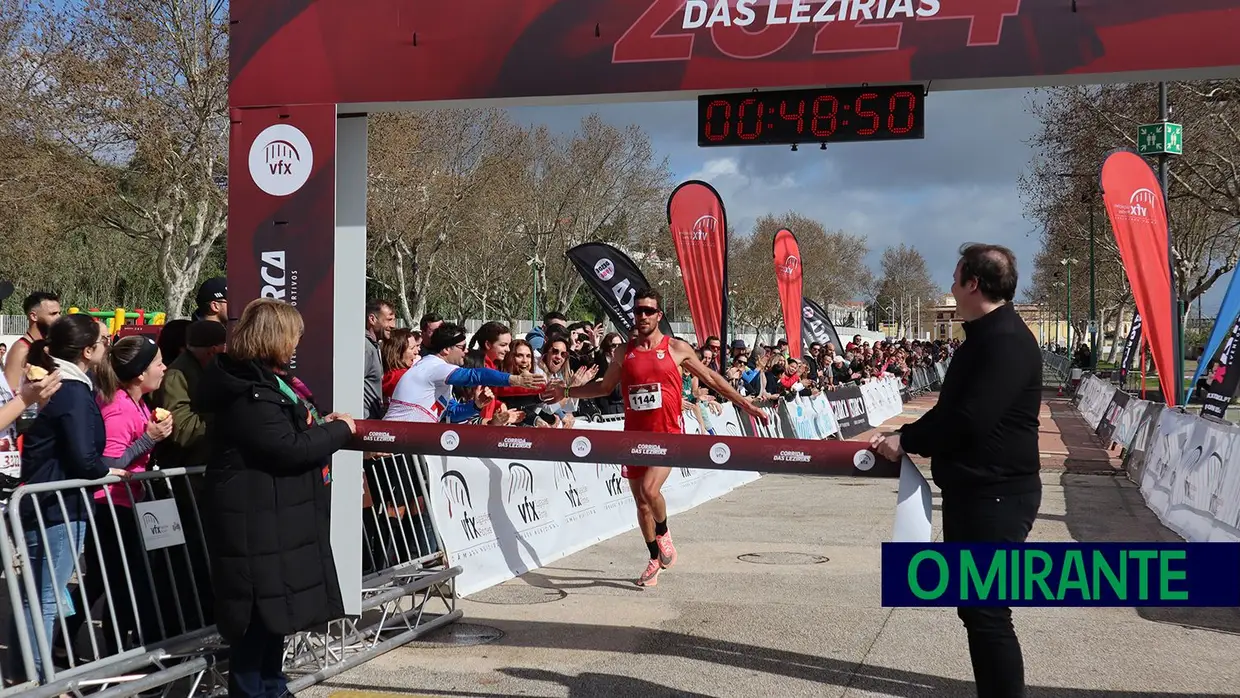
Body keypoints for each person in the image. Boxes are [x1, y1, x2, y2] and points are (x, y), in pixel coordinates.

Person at [870, 243, 1042, 698]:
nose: (949, 286)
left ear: (973, 284)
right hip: (979, 492)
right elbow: (954, 410)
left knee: (987, 611)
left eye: (955, 277)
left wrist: (906, 441)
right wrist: (907, 433)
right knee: (977, 608)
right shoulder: (985, 336)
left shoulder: (1004, 340)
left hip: (998, 496)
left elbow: (970, 419)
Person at [193, 298, 357, 698]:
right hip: (254, 522)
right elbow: (287, 448)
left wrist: (322, 424)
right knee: (255, 621)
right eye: (294, 336)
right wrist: (339, 432)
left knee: (273, 618)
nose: (298, 344)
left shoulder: (263, 384)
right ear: (276, 338)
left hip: (272, 517)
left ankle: (274, 687)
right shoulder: (248, 391)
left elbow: (292, 435)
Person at [567, 288, 769, 587]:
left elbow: (712, 379)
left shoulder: (676, 348)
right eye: (638, 311)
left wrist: (746, 404)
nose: (643, 316)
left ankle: (663, 532)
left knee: (650, 491)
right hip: (633, 436)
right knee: (640, 503)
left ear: (659, 315)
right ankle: (653, 558)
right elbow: (603, 388)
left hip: (668, 434)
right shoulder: (625, 352)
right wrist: (567, 391)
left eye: (649, 311)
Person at [10, 314, 127, 681]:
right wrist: (105, 472)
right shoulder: (73, 391)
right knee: (43, 597)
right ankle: (39, 679)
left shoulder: (72, 385)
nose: (109, 347)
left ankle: (26, 674)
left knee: (39, 596)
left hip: (54, 503)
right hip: (56, 507)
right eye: (105, 341)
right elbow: (82, 455)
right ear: (88, 350)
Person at [384, 323, 548, 423]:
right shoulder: (433, 366)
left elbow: (454, 413)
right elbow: (475, 375)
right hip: (393, 446)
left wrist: (476, 406)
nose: (466, 351)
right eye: (462, 347)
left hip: (406, 445)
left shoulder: (439, 375)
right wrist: (514, 379)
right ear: (447, 349)